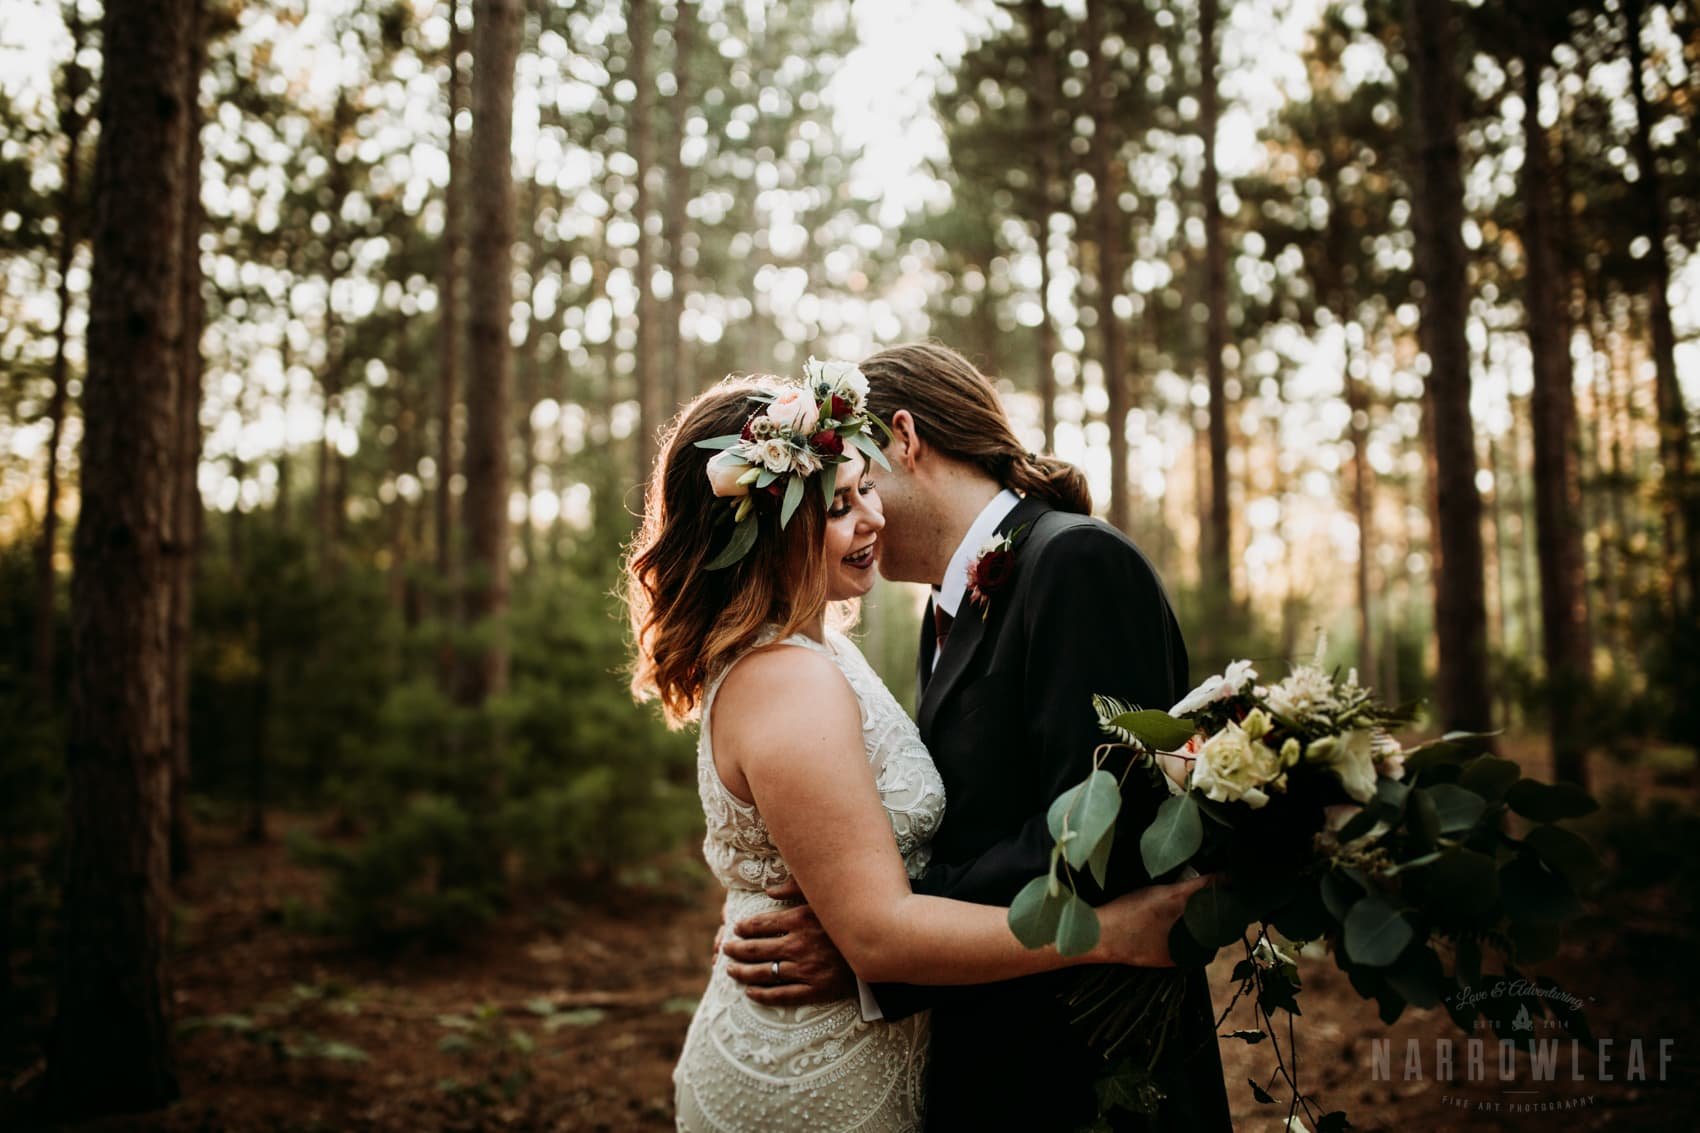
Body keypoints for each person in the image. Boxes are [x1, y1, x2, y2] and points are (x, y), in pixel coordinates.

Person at [624, 366, 1210, 1133]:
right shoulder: (818, 660)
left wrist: (867, 941)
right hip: (843, 1068)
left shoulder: (1069, 564)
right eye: (838, 500)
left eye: (863, 485)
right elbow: (885, 895)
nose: (867, 515)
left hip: (1088, 1055)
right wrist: (867, 932)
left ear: (903, 440)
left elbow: (1107, 825)